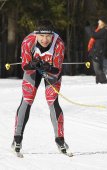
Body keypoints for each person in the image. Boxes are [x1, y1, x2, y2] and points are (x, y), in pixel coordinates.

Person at [12, 20, 69, 154]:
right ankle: (17, 138)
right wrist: (33, 64)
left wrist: (48, 67)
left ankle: (60, 139)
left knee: (52, 101)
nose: (44, 39)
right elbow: (25, 66)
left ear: (52, 35)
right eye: (41, 36)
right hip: (32, 71)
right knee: (27, 99)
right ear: (36, 34)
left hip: (51, 71)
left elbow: (57, 69)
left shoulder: (58, 43)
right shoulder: (28, 41)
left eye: (48, 36)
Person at [87, 16, 107, 84]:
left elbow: (94, 35)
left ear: (103, 22)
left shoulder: (104, 30)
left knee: (97, 68)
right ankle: (98, 82)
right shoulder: (102, 29)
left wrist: (88, 27)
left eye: (99, 21)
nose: (98, 22)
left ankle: (103, 82)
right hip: (97, 51)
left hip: (98, 51)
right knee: (97, 68)